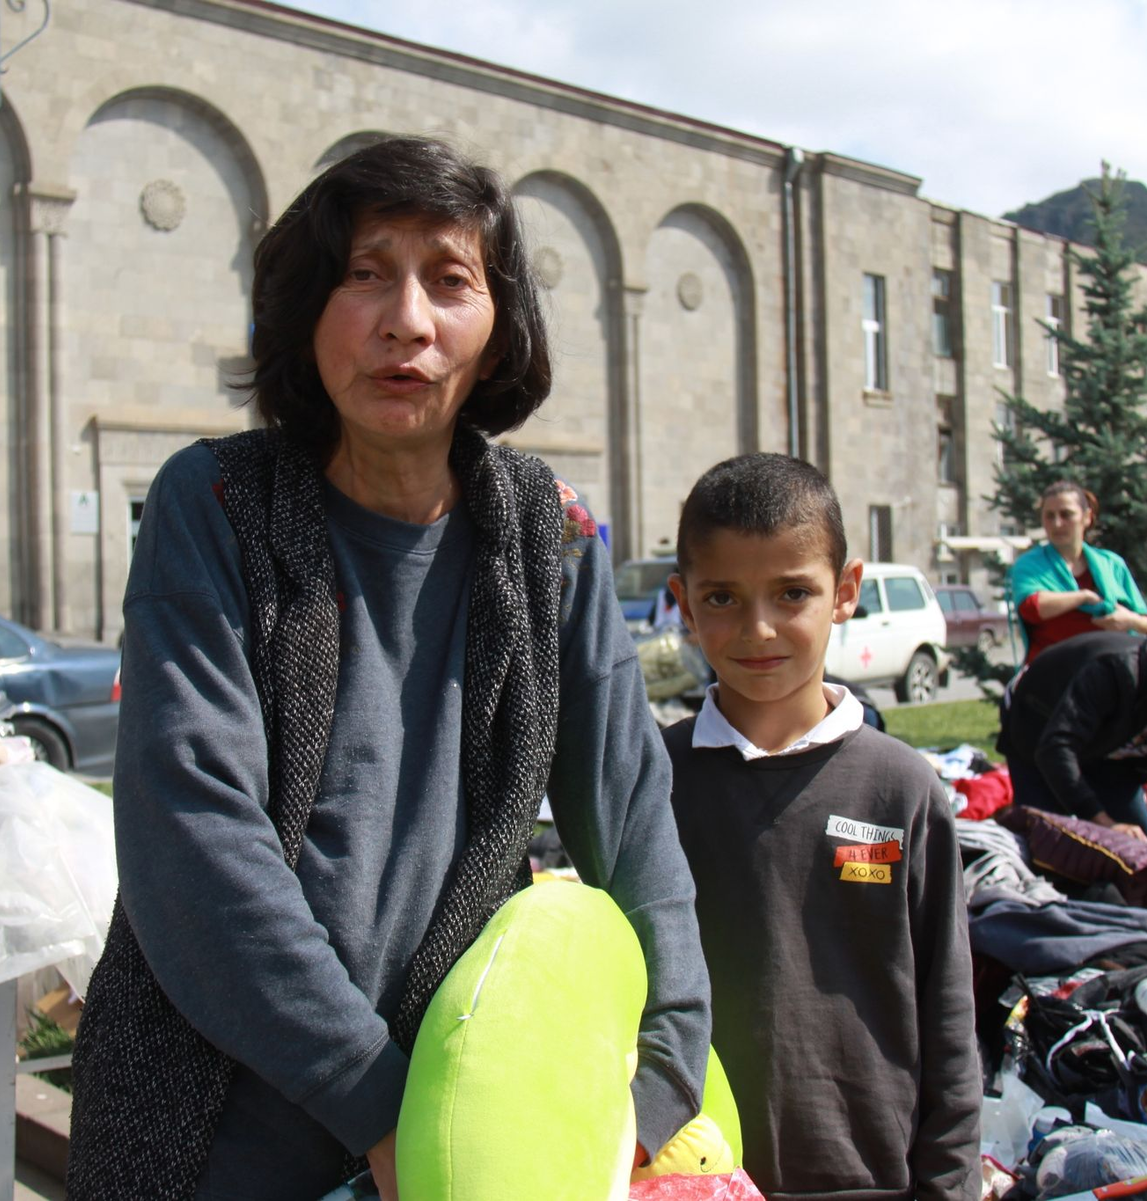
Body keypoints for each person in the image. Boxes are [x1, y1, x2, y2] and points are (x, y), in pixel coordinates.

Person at [66, 136, 711, 1201]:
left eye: (450, 280)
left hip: (464, 1123)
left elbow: (631, 819)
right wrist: (375, 1106)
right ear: (307, 310)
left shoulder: (552, 536)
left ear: (499, 332)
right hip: (217, 1138)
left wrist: (664, 1074)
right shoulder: (217, 505)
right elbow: (193, 839)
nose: (405, 319)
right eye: (365, 273)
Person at [662, 453, 980, 1201]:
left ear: (845, 592)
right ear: (682, 601)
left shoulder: (902, 787)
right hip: (694, 1177)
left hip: (873, 1177)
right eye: (723, 597)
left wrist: (951, 1183)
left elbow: (950, 1016)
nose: (759, 627)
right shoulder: (650, 782)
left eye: (792, 593)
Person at [997, 631, 1147, 840]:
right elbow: (1055, 750)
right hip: (1037, 719)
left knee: (1138, 837)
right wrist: (1104, 823)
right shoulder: (1112, 672)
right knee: (1050, 840)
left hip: (1108, 748)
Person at [1009, 481, 1147, 664]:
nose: (1057, 523)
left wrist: (1130, 620)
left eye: (1066, 514)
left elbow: (1142, 621)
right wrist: (1083, 597)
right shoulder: (1030, 564)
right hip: (1053, 678)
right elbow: (1032, 608)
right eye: (1049, 516)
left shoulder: (1112, 564)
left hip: (1110, 675)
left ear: (1087, 517)